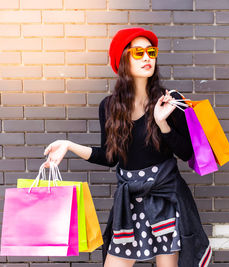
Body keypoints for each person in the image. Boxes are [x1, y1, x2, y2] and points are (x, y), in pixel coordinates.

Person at [43, 27, 211, 267]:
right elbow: (110, 157)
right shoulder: (109, 107)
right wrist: (69, 145)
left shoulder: (169, 100)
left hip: (165, 198)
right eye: (138, 52)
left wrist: (162, 122)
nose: (147, 58)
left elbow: (187, 153)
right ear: (123, 60)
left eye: (151, 52)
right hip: (129, 203)